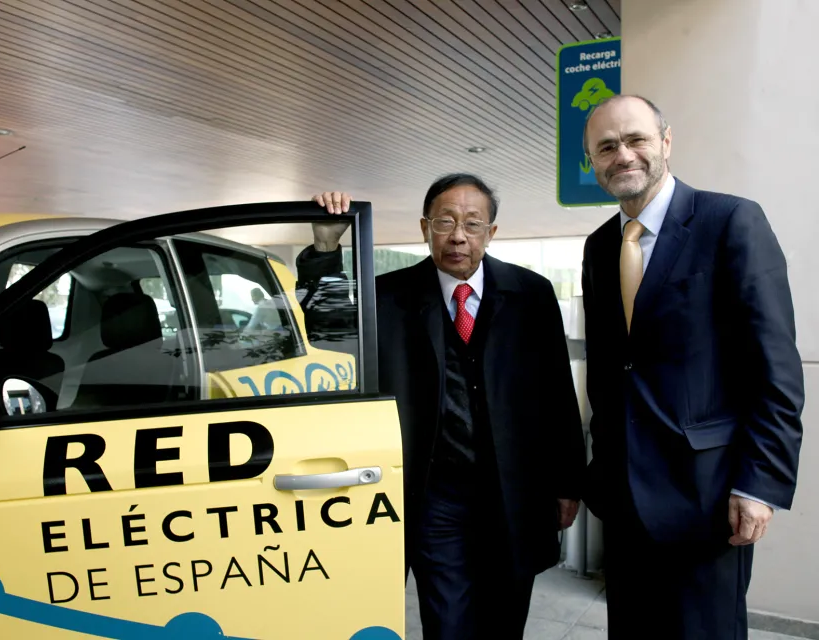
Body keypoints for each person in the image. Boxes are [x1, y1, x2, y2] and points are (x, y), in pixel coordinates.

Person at [296, 174, 586, 638]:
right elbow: (329, 333)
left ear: (491, 232)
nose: (458, 236)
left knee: (505, 621)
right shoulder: (388, 295)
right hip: (434, 498)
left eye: (472, 224)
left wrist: (569, 481)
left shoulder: (531, 294)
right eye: (445, 222)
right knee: (447, 623)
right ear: (424, 227)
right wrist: (326, 251)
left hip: (514, 491)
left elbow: (557, 391)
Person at [580, 95, 805, 639]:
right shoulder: (597, 246)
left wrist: (760, 484)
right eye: (606, 147)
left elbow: (775, 367)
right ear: (592, 162)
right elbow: (613, 368)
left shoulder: (730, 221)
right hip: (625, 497)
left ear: (665, 141)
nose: (623, 155)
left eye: (635, 139)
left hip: (707, 497)